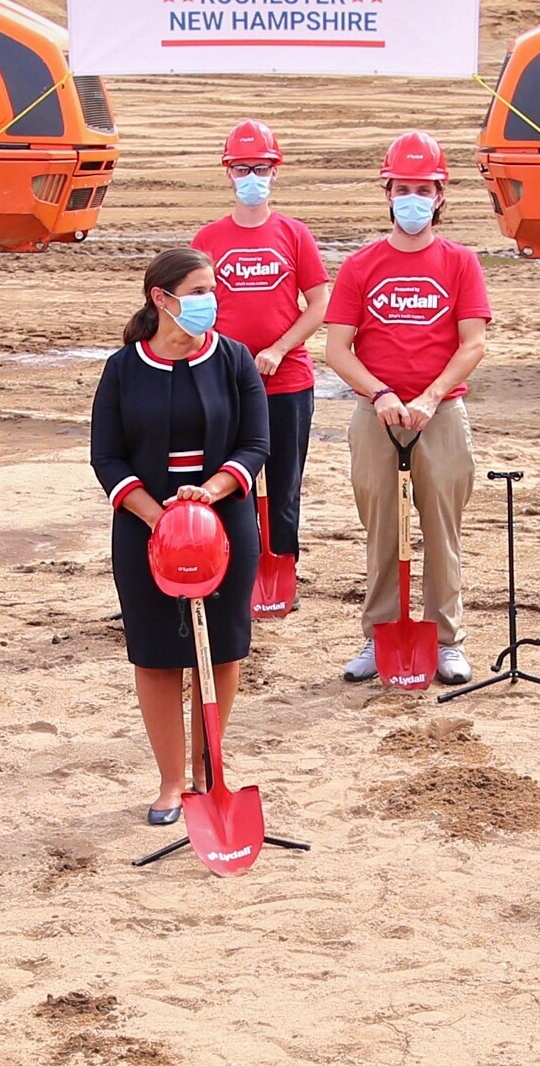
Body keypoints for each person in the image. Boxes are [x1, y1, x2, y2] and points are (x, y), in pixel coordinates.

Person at [90, 248, 269, 823]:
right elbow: (107, 457)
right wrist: (157, 515)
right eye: (195, 291)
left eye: (211, 289)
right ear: (161, 299)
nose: (207, 301)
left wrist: (210, 494)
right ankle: (171, 783)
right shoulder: (122, 368)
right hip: (146, 528)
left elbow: (256, 445)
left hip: (225, 524)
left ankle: (207, 771)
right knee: (158, 653)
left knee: (218, 649)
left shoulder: (235, 360)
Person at [326, 129, 491, 685]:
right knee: (382, 531)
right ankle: (379, 636)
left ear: (441, 195)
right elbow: (336, 348)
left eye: (424, 187)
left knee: (442, 528)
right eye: (403, 187)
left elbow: (472, 343)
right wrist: (381, 394)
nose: (413, 197)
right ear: (388, 192)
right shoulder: (360, 265)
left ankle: (446, 640)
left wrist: (430, 396)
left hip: (439, 416)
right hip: (377, 417)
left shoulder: (460, 263)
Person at [193, 118, 329, 588]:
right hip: (225, 383)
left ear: (275, 171)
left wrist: (278, 349)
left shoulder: (294, 234)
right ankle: (236, 569)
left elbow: (319, 304)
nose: (252, 177)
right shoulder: (208, 239)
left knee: (284, 482)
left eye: (261, 168)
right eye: (242, 168)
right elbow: (194, 308)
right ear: (227, 172)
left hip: (287, 380)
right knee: (232, 480)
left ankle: (282, 568)